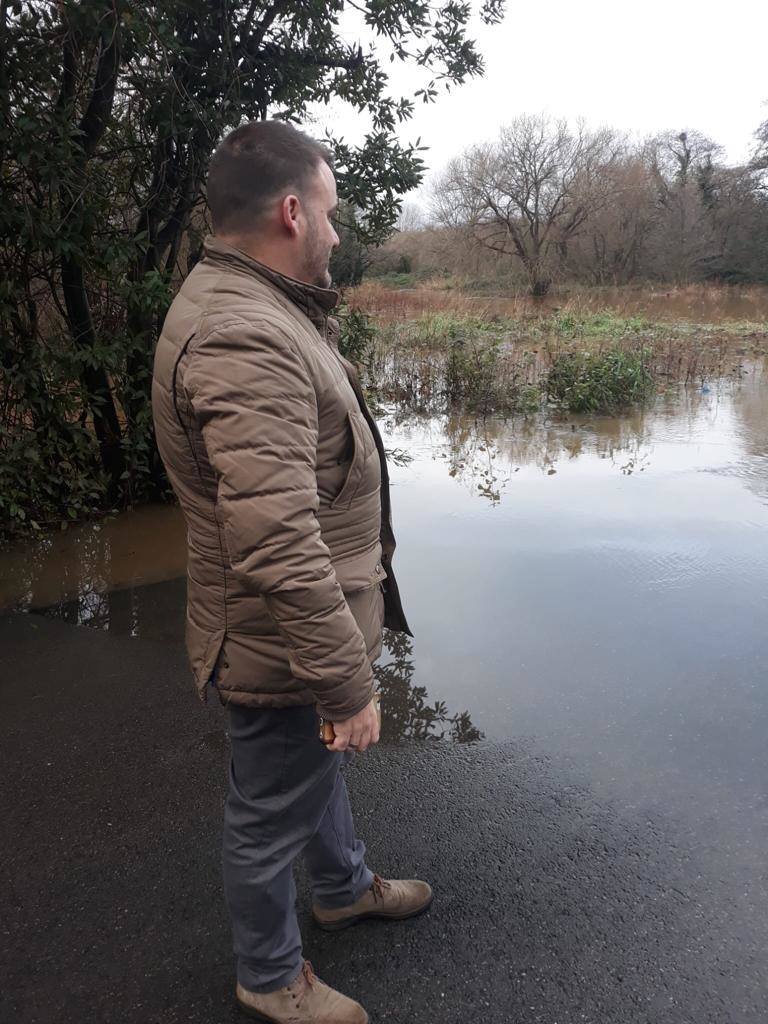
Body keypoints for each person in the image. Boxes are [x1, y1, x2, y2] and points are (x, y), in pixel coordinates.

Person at [151, 119, 432, 1024]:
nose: (338, 231)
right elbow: (274, 536)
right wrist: (346, 683)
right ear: (289, 212)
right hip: (278, 640)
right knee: (267, 808)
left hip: (295, 631)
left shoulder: (258, 305)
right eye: (330, 210)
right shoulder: (245, 334)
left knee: (309, 775)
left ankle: (343, 888)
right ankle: (271, 977)